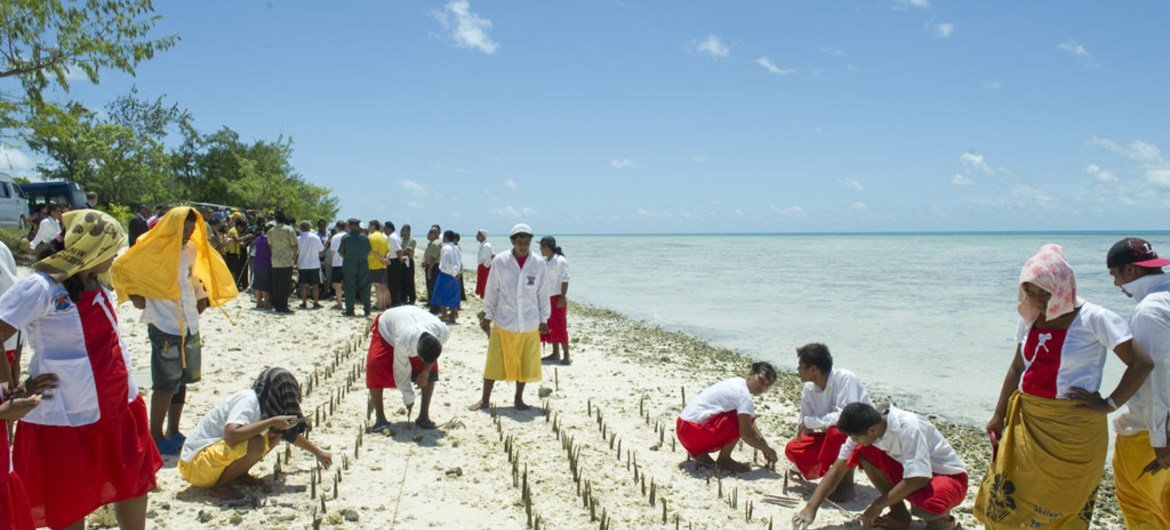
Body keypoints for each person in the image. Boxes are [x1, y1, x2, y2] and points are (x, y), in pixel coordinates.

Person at [0, 210, 161, 530]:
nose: (115, 257)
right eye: (111, 250)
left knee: (133, 483)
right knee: (71, 499)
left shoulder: (95, 280)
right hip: (67, 417)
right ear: (93, 250)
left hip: (119, 407)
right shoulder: (41, 286)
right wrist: (8, 389)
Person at [974, 244, 1154, 529]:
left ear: (1063, 286)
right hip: (1029, 421)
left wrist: (1109, 404)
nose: (1037, 300)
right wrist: (999, 414)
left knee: (1064, 499)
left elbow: (1142, 364)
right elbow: (1017, 367)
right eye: (1030, 292)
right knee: (1017, 493)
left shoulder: (1095, 318)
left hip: (1075, 429)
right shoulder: (1031, 319)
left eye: (1043, 293)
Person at [115, 207, 237, 456]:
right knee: (164, 382)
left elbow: (194, 279)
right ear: (172, 226)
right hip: (164, 324)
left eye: (192, 229)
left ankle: (174, 430)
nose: (189, 234)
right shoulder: (150, 249)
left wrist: (202, 298)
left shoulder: (191, 249)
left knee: (183, 380)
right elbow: (123, 268)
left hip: (190, 323)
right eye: (185, 229)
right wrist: (139, 297)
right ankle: (155, 434)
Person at [793, 403, 968, 530]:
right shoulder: (866, 425)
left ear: (873, 430)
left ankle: (946, 523)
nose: (852, 440)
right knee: (862, 451)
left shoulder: (909, 427)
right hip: (910, 470)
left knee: (928, 505)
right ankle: (899, 515)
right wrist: (810, 508)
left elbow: (918, 478)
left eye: (855, 437)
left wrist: (877, 505)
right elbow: (839, 467)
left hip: (948, 477)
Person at [179, 367, 331, 500]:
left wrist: (318, 453)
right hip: (195, 466)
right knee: (256, 443)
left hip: (207, 464)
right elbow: (231, 435)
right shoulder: (248, 400)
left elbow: (289, 435)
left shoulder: (263, 404)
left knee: (274, 436)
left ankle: (238, 474)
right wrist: (271, 422)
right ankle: (221, 487)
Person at [1104, 237, 1170, 528]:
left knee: (1140, 506)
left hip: (1151, 433)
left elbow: (1157, 379)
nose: (1116, 285)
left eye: (1115, 276)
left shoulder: (1149, 312)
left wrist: (1160, 440)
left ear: (1130, 271)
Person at [469, 224, 553, 412]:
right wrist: (487, 315)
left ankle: (518, 398)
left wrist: (544, 319)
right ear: (513, 242)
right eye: (519, 242)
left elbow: (543, 293)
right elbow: (492, 290)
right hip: (504, 320)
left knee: (524, 362)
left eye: (527, 243)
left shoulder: (538, 263)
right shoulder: (500, 261)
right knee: (494, 361)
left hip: (529, 322)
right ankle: (484, 400)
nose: (523, 246)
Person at [784, 343, 871, 502]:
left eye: (801, 366)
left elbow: (846, 418)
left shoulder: (845, 378)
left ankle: (845, 485)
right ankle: (828, 473)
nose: (798, 370)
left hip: (862, 439)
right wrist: (801, 457)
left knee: (837, 433)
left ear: (814, 369)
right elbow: (804, 426)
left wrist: (811, 422)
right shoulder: (809, 389)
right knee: (792, 448)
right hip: (831, 439)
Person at [676, 362, 780, 472]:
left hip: (683, 429)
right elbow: (746, 434)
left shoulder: (736, 382)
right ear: (750, 374)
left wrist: (763, 444)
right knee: (739, 419)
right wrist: (767, 450)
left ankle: (703, 457)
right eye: (761, 380)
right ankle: (724, 460)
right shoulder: (744, 395)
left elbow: (750, 422)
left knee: (743, 416)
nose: (762, 386)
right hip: (694, 431)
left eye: (767, 385)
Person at [366, 305, 449, 432]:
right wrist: (408, 398)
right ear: (418, 354)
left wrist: (426, 372)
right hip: (387, 329)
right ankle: (380, 418)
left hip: (413, 320)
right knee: (375, 365)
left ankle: (423, 416)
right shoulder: (403, 343)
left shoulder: (442, 331)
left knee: (432, 369)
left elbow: (432, 356)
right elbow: (401, 372)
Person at [538, 236, 571, 365]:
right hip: (547, 297)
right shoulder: (547, 260)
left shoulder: (560, 260)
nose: (540, 249)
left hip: (557, 297)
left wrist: (562, 297)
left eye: (542, 247)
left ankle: (566, 355)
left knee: (560, 325)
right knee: (551, 325)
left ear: (548, 247)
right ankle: (555, 352)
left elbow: (565, 279)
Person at [339, 219, 372, 317]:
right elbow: (369, 252)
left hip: (349, 265)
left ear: (349, 225)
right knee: (365, 287)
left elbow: (341, 252)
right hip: (363, 264)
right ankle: (367, 310)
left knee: (349, 288)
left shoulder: (345, 237)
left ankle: (350, 310)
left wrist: (348, 257)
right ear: (358, 226)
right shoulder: (364, 237)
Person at [267, 212, 298, 314]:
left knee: (276, 284)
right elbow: (295, 246)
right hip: (286, 261)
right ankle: (283, 306)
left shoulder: (271, 231)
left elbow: (270, 246)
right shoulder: (289, 230)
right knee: (285, 285)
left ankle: (277, 305)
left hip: (275, 261)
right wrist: (294, 257)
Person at [429, 230, 463, 324]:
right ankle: (453, 314)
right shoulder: (456, 248)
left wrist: (452, 273)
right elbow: (459, 261)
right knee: (453, 295)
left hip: (446, 274)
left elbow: (446, 263)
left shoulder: (445, 248)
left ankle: (445, 314)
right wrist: (456, 273)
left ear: (446, 237)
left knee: (440, 293)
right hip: (455, 274)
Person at [296, 221, 325, 309]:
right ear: (310, 227)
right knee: (315, 285)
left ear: (301, 228)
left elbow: (296, 251)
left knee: (303, 285)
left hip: (302, 264)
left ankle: (304, 302)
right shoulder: (315, 237)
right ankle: (316, 302)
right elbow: (321, 249)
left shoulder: (298, 238)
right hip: (314, 264)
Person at [367, 220, 390, 310]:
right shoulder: (383, 237)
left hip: (374, 265)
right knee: (383, 286)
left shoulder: (372, 237)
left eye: (369, 226)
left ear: (373, 226)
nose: (368, 228)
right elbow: (388, 250)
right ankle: (383, 305)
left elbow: (373, 251)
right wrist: (385, 259)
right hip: (382, 265)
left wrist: (382, 259)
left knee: (378, 287)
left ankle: (379, 305)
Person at [252, 225, 273, 309]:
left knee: (258, 284)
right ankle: (266, 303)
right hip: (266, 263)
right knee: (265, 285)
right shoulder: (269, 240)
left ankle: (258, 302)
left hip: (257, 263)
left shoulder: (257, 239)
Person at [423, 225, 441, 311]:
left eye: (431, 232)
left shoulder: (436, 243)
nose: (429, 234)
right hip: (430, 266)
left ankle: (435, 306)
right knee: (430, 286)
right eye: (429, 231)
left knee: (433, 286)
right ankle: (431, 302)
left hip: (434, 267)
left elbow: (433, 258)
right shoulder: (431, 243)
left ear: (437, 234)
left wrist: (429, 270)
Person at [328, 221, 347, 308]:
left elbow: (332, 251)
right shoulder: (348, 236)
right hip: (347, 263)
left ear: (337, 227)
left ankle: (339, 303)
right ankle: (349, 303)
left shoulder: (335, 237)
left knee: (337, 285)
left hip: (337, 263)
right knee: (348, 284)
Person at [400, 225, 418, 305]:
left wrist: (399, 253)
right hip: (402, 261)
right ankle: (403, 298)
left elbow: (408, 250)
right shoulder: (402, 240)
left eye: (403, 230)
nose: (402, 231)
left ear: (407, 230)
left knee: (409, 280)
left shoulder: (412, 240)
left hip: (408, 261)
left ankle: (412, 298)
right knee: (402, 280)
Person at [474, 230, 493, 299]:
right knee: (482, 285)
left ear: (482, 236)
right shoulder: (483, 245)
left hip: (485, 268)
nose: (476, 236)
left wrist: (485, 266)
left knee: (485, 285)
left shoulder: (486, 245)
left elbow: (488, 258)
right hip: (482, 267)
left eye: (478, 234)